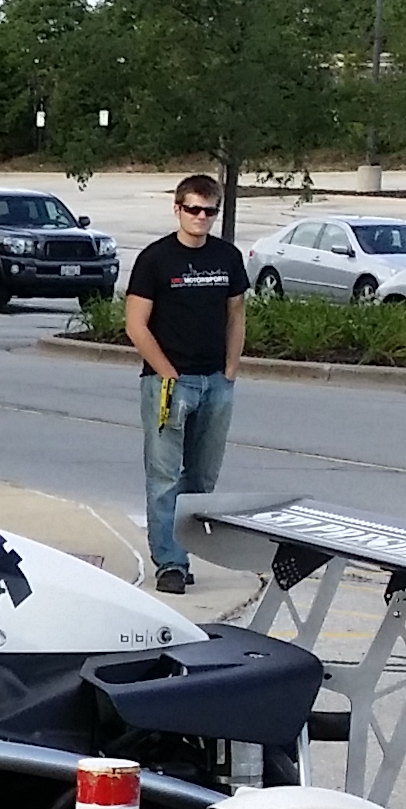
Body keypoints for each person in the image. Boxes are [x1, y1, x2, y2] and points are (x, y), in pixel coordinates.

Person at [123, 175, 247, 594]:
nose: (201, 217)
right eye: (193, 209)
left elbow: (236, 314)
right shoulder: (155, 259)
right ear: (177, 209)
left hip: (215, 382)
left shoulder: (227, 257)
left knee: (201, 478)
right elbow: (136, 324)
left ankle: (186, 549)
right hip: (168, 384)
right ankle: (170, 563)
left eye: (209, 211)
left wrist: (230, 369)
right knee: (165, 478)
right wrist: (167, 372)